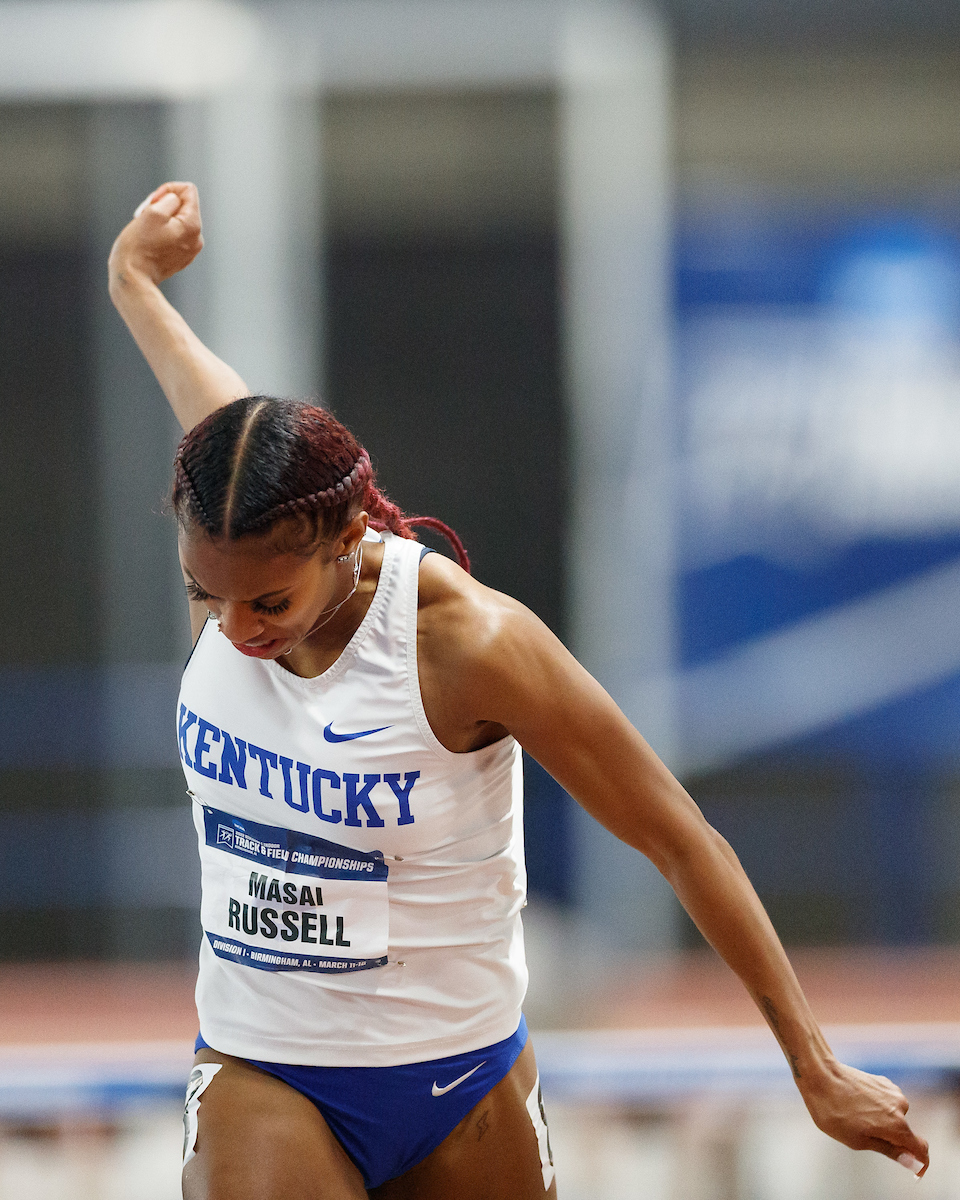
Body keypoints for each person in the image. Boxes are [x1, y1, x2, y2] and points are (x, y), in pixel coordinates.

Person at [108, 182, 929, 1200]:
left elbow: (679, 836)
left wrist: (814, 1064)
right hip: (266, 1066)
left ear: (343, 535)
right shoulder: (238, 511)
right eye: (205, 596)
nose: (235, 630)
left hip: (463, 1078)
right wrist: (133, 277)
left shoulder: (471, 647)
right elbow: (213, 405)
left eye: (267, 601)